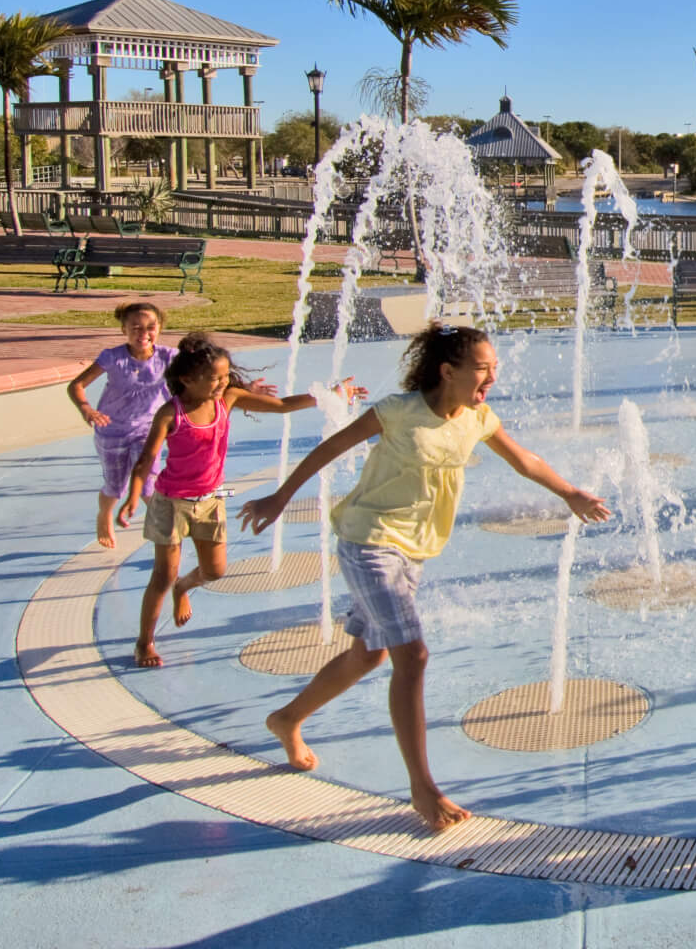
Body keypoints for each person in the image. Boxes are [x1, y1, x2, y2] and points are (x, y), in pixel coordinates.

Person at [240, 324, 611, 834]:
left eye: (494, 367)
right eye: (482, 368)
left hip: (412, 551)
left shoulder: (477, 418)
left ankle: (287, 719)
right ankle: (422, 786)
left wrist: (570, 493)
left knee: (366, 654)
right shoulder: (398, 411)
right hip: (368, 540)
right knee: (411, 655)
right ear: (447, 371)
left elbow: (526, 460)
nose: (492, 376)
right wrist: (281, 497)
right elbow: (328, 450)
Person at [129, 333, 360, 668]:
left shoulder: (229, 399)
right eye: (214, 379)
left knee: (215, 570)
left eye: (225, 376)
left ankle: (184, 587)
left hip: (210, 499)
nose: (223, 383)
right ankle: (145, 642)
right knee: (162, 575)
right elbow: (146, 459)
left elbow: (281, 406)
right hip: (171, 503)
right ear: (186, 380)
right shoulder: (170, 413)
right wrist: (134, 496)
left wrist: (327, 396)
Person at [66, 302, 174, 548]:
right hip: (112, 431)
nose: (143, 334)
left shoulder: (169, 357)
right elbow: (76, 385)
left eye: (150, 327)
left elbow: (202, 374)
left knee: (149, 485)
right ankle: (104, 515)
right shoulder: (112, 357)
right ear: (123, 329)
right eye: (135, 327)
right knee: (115, 487)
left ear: (160, 328)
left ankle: (164, 532)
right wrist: (86, 408)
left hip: (148, 430)